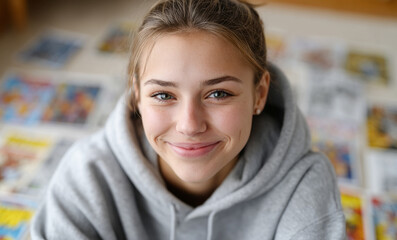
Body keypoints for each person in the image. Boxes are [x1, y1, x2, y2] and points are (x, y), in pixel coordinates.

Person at [31, 0, 346, 239]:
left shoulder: (305, 185)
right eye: (164, 95)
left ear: (260, 94)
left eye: (218, 94)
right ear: (137, 94)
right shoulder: (84, 177)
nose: (189, 125)